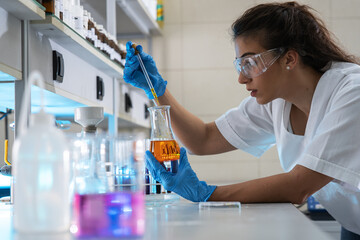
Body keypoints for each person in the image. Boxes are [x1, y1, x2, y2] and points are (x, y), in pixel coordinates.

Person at [124, 2, 360, 239]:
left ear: (289, 59)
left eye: (250, 63)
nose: (241, 78)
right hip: (352, 222)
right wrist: (155, 89)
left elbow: (300, 185)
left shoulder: (352, 93)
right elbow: (204, 140)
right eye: (240, 64)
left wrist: (206, 194)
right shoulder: (278, 102)